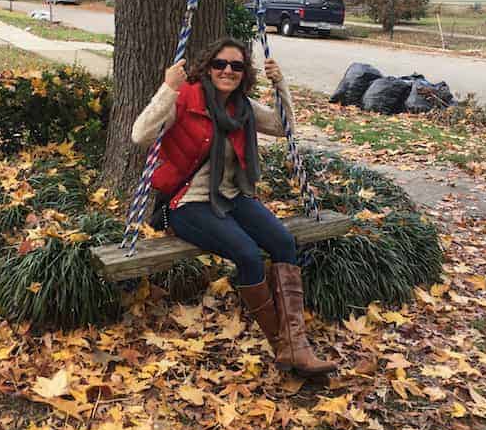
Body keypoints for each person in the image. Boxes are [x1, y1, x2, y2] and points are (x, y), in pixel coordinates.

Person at [131, 36, 336, 378]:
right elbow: (140, 134)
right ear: (207, 68)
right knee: (248, 254)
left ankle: (296, 346)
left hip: (231, 196)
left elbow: (286, 128)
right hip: (186, 203)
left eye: (236, 66)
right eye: (220, 64)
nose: (228, 71)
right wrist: (167, 88)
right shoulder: (184, 98)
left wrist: (280, 84)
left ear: (244, 73)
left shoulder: (242, 107)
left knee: (284, 242)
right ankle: (283, 347)